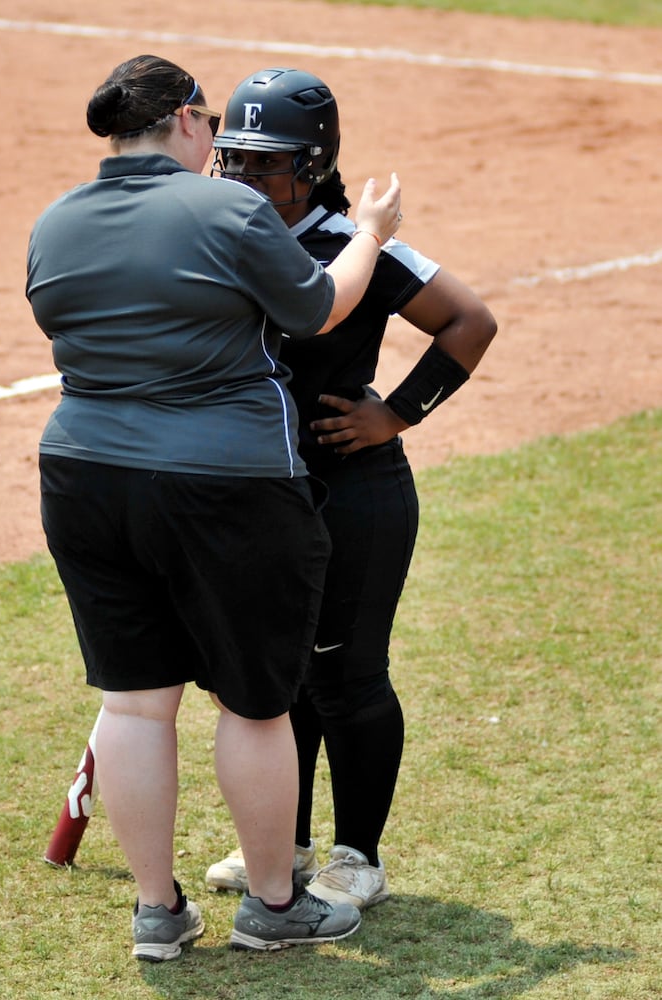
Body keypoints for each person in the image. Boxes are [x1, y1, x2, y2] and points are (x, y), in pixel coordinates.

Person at [25, 55, 403, 961]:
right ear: (191, 120)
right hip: (225, 487)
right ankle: (275, 906)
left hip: (82, 477)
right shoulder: (227, 207)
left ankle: (158, 914)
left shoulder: (55, 220)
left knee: (133, 706)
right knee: (256, 705)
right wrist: (373, 233)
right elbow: (316, 309)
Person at [205, 68, 497, 909]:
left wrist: (396, 414)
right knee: (276, 676)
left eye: (270, 164)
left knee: (347, 677)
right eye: (234, 159)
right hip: (260, 495)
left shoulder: (352, 244)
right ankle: (284, 844)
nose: (248, 179)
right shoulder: (220, 231)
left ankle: (356, 856)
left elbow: (469, 320)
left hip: (355, 494)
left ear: (317, 163)